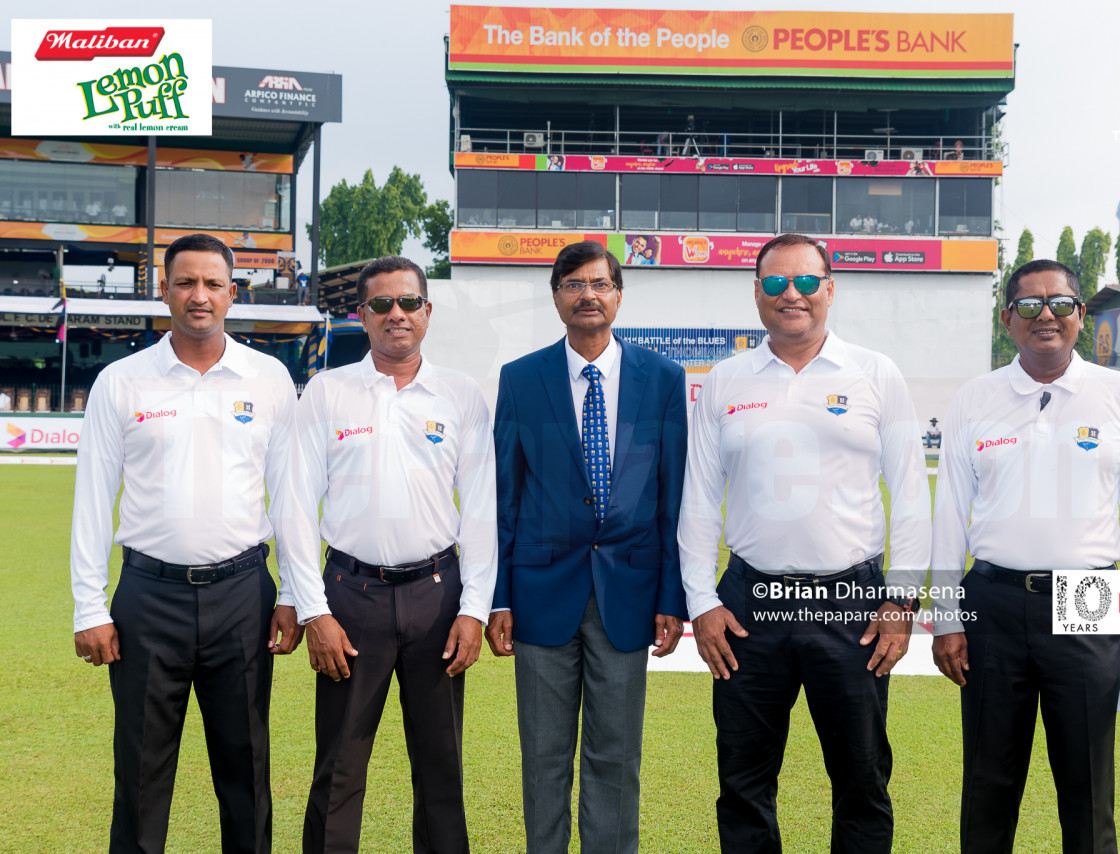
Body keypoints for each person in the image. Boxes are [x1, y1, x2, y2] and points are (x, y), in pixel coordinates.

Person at [678, 233, 931, 853]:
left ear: (829, 289)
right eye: (775, 283)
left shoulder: (876, 373)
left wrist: (902, 600)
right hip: (748, 603)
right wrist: (702, 602)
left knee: (861, 778)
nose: (791, 294)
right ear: (757, 293)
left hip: (852, 604)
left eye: (806, 282)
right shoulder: (726, 379)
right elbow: (699, 498)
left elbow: (911, 493)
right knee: (743, 781)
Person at [930, 259, 1120, 854]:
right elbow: (948, 518)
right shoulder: (975, 398)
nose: (1045, 315)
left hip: (1087, 602)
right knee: (989, 782)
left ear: (1080, 314)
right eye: (1029, 304)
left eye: (1060, 303)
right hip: (992, 602)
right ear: (1007, 319)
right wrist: (945, 619)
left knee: (1087, 784)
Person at [70, 232, 301, 853]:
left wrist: (295, 595)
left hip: (243, 595)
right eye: (186, 283)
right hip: (148, 599)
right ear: (164, 290)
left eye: (212, 283)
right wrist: (89, 607)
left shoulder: (269, 377)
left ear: (232, 292)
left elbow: (290, 497)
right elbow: (92, 499)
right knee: (141, 775)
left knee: (246, 772)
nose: (200, 295)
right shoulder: (122, 381)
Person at [279, 256, 497, 853]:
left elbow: (481, 511)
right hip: (350, 599)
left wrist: (474, 609)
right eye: (381, 304)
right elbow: (294, 506)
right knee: (339, 767)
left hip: (438, 596)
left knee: (441, 766)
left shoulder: (461, 395)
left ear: (427, 311)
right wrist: (313, 611)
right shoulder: (327, 392)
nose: (396, 314)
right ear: (362, 314)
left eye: (408, 302)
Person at [488, 239, 687, 854]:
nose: (588, 295)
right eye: (574, 284)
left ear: (619, 296)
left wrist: (671, 597)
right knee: (543, 757)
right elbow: (504, 497)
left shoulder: (663, 378)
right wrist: (498, 598)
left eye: (600, 284)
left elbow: (672, 498)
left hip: (629, 594)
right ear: (556, 297)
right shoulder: (521, 379)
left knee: (616, 757)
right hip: (539, 593)